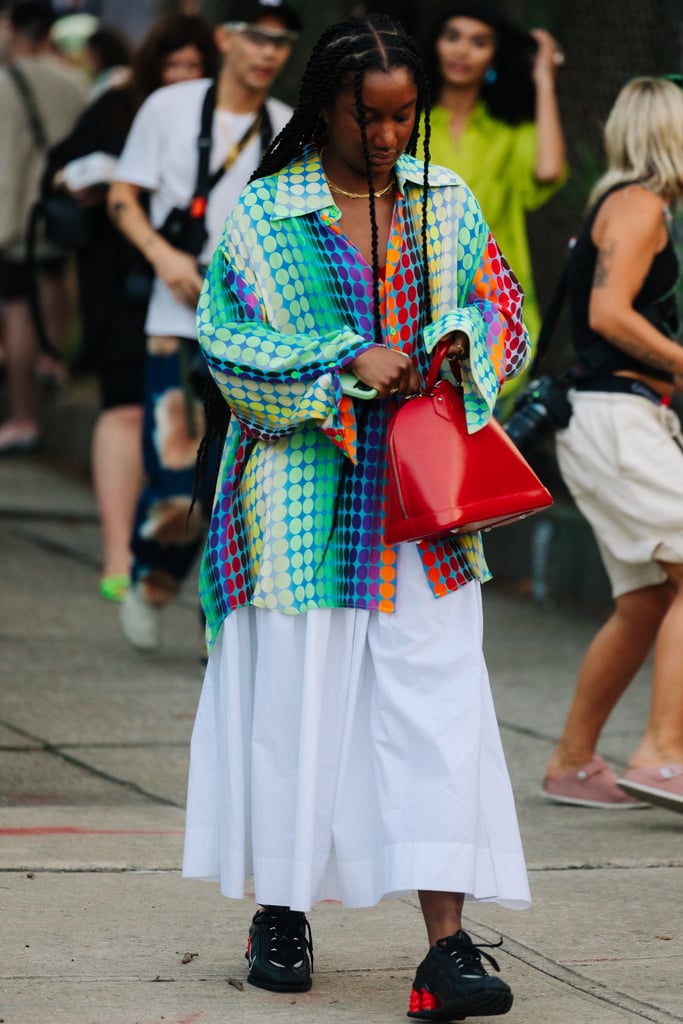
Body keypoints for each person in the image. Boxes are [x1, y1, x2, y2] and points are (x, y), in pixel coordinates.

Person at [183, 14, 531, 1020]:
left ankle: (445, 945)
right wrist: (338, 361)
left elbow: (498, 306)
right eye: (362, 114)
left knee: (438, 710)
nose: (384, 136)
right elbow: (223, 344)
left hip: (423, 507)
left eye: (400, 116)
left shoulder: (445, 200)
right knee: (298, 714)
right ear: (324, 103)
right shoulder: (265, 212)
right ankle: (282, 910)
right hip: (294, 507)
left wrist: (462, 342)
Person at [107, 0, 299, 649]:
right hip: (175, 319)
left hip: (253, 333)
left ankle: (218, 617)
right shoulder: (171, 107)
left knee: (236, 477)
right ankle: (152, 579)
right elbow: (122, 196)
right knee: (173, 470)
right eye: (255, 37)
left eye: (279, 40)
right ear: (225, 38)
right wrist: (163, 257)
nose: (266, 51)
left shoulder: (289, 126)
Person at [542, 77, 683, 814]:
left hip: (609, 420)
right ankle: (662, 756)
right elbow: (607, 311)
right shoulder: (640, 203)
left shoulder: (623, 201)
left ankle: (572, 763)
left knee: (645, 601)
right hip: (615, 417)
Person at [45, 13, 220, 603]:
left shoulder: (234, 120)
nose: (184, 78)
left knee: (192, 441)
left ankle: (175, 560)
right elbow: (59, 166)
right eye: (173, 66)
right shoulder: (121, 107)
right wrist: (88, 178)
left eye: (196, 67)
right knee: (123, 410)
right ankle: (120, 552)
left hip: (197, 294)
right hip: (121, 283)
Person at [422, 0, 566, 420]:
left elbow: (549, 168)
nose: (462, 51)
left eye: (479, 42)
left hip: (495, 312)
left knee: (480, 459)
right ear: (435, 45)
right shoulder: (409, 121)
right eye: (453, 37)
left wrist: (544, 78)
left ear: (494, 56)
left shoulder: (508, 131)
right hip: (417, 304)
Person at [0, 0, 87, 454]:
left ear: (14, 28)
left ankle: (23, 416)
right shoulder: (73, 82)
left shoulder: (4, 82)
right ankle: (53, 362)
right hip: (59, 208)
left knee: (16, 307)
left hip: (13, 213)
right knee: (56, 280)